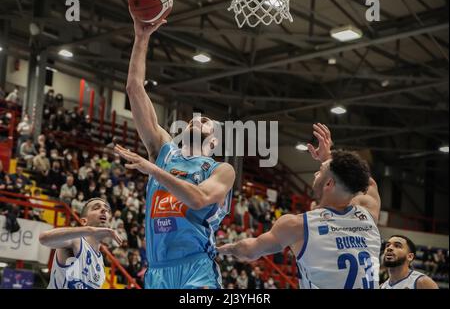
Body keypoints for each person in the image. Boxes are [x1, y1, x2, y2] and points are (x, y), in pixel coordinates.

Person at [119, 14, 235, 289]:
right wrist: (141, 38)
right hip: (157, 269)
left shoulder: (220, 170)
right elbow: (134, 90)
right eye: (197, 117)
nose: (198, 119)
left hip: (196, 268)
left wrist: (153, 170)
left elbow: (199, 199)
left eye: (207, 121)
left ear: (215, 143)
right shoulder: (165, 150)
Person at [218, 124, 382, 289]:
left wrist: (224, 249)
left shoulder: (299, 225)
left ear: (329, 183)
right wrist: (330, 159)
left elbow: (249, 251)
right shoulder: (368, 211)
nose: (316, 174)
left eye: (320, 169)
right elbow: (367, 182)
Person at [39, 198, 122, 289]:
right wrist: (90, 230)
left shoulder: (101, 263)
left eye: (106, 209)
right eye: (96, 208)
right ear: (84, 221)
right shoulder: (76, 241)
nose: (104, 210)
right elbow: (44, 238)